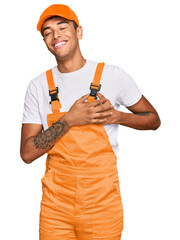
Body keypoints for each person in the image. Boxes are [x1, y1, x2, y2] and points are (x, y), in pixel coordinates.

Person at [20, 4, 161, 240]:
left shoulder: (112, 75)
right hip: (55, 207)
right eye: (47, 32)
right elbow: (27, 153)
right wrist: (69, 119)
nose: (55, 35)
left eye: (62, 27)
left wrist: (118, 117)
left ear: (79, 32)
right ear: (45, 41)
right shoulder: (38, 86)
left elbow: (153, 119)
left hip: (102, 204)